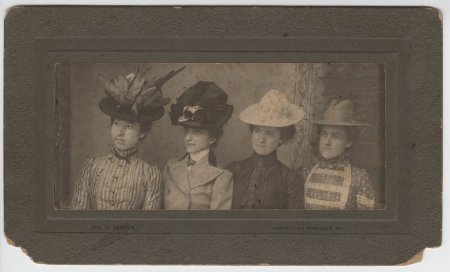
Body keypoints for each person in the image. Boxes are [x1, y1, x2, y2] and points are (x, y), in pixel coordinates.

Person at [71, 66, 184, 210]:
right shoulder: (91, 167)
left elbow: (148, 227)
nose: (120, 132)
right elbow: (78, 220)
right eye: (116, 123)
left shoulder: (150, 174)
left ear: (143, 132)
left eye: (129, 126)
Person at [226, 89, 305, 209]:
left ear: (282, 138)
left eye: (269, 133)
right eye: (257, 131)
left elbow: (292, 223)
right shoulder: (233, 170)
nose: (261, 139)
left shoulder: (290, 179)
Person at [163, 81, 234, 209]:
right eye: (186, 130)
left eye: (196, 132)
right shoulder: (170, 166)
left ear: (212, 137)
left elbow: (216, 226)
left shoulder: (222, 177)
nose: (188, 137)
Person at [304, 98, 375, 210]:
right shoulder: (305, 171)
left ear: (348, 142)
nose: (327, 142)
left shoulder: (359, 178)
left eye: (336, 136)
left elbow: (364, 224)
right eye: (324, 135)